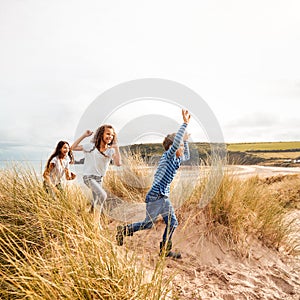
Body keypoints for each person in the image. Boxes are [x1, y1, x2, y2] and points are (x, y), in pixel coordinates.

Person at [116, 109, 191, 259]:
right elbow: (176, 144)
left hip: (162, 196)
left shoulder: (177, 159)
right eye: (180, 145)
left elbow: (187, 156)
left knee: (170, 223)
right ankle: (123, 230)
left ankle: (164, 250)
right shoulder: (168, 156)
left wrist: (186, 141)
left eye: (182, 145)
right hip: (156, 196)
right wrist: (184, 124)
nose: (181, 148)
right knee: (150, 224)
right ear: (172, 147)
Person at [71, 125, 122, 213]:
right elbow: (73, 147)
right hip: (88, 177)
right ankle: (96, 222)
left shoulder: (110, 151)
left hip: (99, 179)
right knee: (103, 196)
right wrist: (84, 135)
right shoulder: (91, 146)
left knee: (96, 202)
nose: (110, 136)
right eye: (108, 134)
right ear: (101, 134)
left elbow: (118, 164)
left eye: (112, 135)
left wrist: (116, 149)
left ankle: (90, 215)